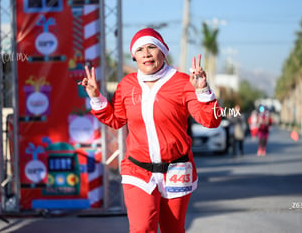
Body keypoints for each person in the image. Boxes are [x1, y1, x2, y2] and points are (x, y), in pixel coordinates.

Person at [79, 28, 222, 233]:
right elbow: (116, 120)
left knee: (173, 229)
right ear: (134, 56)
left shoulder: (183, 82)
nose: (146, 53)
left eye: (151, 47)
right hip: (138, 170)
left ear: (163, 52)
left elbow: (211, 121)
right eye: (140, 49)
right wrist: (95, 97)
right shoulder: (126, 85)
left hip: (176, 169)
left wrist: (202, 90)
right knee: (142, 228)